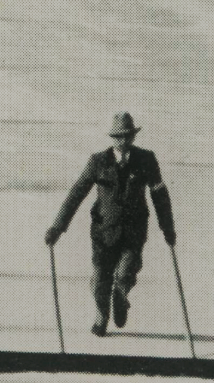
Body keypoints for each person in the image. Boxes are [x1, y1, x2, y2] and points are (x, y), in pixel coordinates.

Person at [45, 113, 176, 337]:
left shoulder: (146, 159)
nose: (123, 141)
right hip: (103, 232)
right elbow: (76, 194)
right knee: (99, 281)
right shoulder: (98, 161)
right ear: (112, 137)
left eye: (127, 136)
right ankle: (101, 313)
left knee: (125, 273)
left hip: (133, 231)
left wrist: (168, 228)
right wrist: (57, 227)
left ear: (133, 136)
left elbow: (159, 195)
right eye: (118, 137)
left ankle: (121, 296)